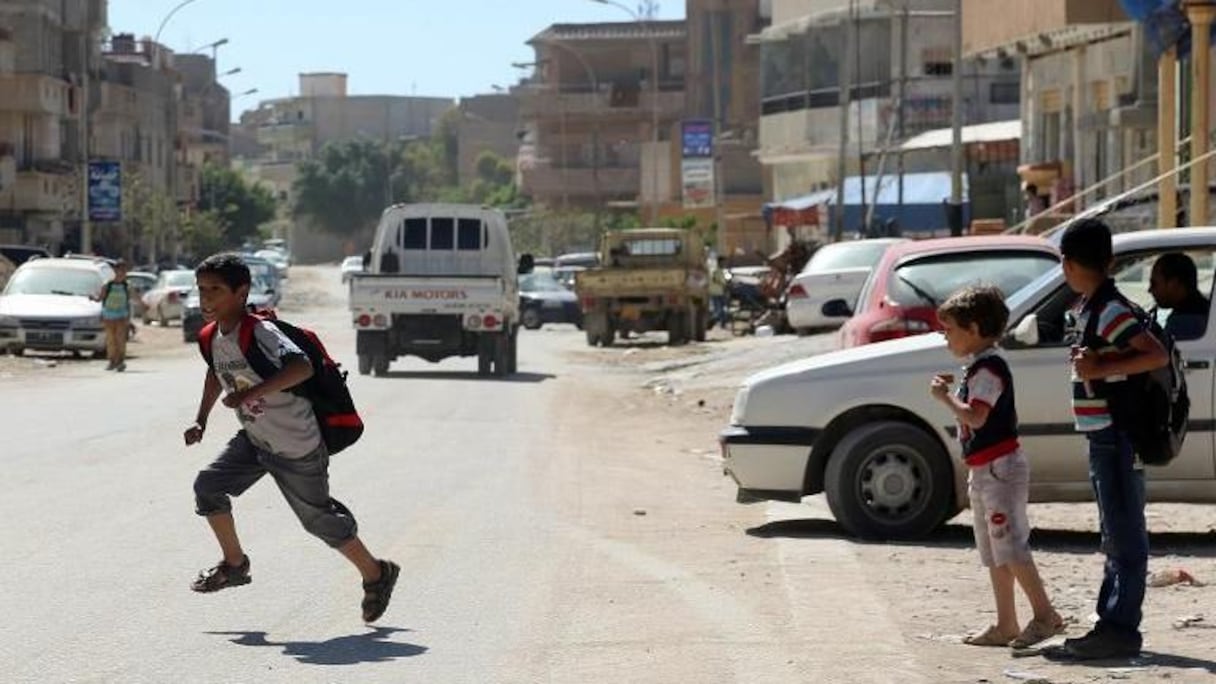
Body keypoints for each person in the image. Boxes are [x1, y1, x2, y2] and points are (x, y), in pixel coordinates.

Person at [184, 253, 399, 623]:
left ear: (241, 292)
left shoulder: (262, 332)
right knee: (208, 486)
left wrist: (250, 394)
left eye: (216, 290)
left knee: (317, 520)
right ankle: (235, 564)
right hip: (255, 438)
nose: (206, 297)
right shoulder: (211, 336)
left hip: (297, 444)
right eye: (202, 289)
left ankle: (377, 573)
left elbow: (301, 367)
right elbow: (213, 373)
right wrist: (200, 419)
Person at [1055, 218, 1169, 660]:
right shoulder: (1095, 306)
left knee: (1124, 532)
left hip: (1116, 436)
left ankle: (1120, 628)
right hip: (1105, 435)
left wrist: (1096, 370)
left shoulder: (1109, 309)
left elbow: (1153, 354)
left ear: (1068, 264)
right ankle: (1110, 622)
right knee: (1115, 531)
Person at [930, 285, 1063, 650]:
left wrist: (944, 400)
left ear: (973, 329)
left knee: (1011, 546)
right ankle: (1006, 623)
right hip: (986, 470)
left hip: (1000, 470)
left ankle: (1044, 615)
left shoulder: (988, 369)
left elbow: (976, 416)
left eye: (950, 330)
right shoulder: (979, 367)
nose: (946, 337)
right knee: (994, 551)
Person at [1148, 252, 1210, 341]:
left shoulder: (1184, 322)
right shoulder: (1204, 311)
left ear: (1173, 284)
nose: (1150, 290)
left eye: (1154, 284)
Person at [98, 259, 131, 372]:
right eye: (119, 270)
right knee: (111, 340)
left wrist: (143, 305)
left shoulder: (127, 286)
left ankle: (120, 361)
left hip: (122, 316)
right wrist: (94, 298)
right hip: (108, 316)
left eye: (123, 270)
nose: (121, 272)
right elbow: (101, 297)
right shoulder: (108, 284)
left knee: (120, 340)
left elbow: (135, 298)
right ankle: (112, 361)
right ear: (115, 271)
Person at [708, 256, 729, 330]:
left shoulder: (721, 271)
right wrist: (723, 284)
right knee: (718, 310)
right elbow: (714, 279)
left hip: (721, 292)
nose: (724, 264)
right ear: (719, 262)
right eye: (723, 262)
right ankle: (711, 322)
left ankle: (723, 324)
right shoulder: (715, 270)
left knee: (723, 309)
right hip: (715, 292)